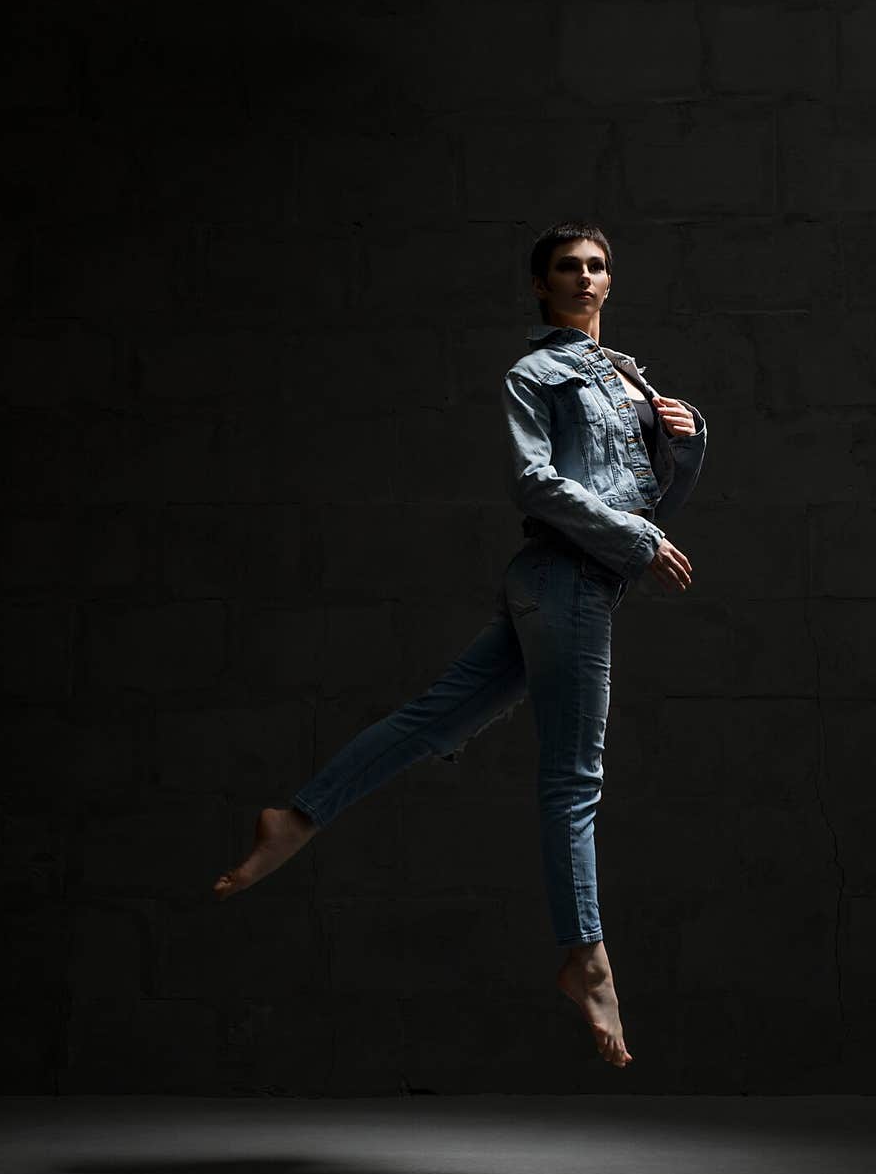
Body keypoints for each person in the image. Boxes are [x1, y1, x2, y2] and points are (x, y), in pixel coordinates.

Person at [212, 220, 707, 1070]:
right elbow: (536, 482)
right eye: (566, 268)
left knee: (432, 721)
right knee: (572, 782)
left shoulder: (630, 376)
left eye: (597, 266)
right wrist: (632, 545)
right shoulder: (535, 372)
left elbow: (654, 499)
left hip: (562, 587)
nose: (584, 278)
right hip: (567, 583)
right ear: (541, 285)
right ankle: (586, 957)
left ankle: (295, 816)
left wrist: (690, 440)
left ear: (611, 281)